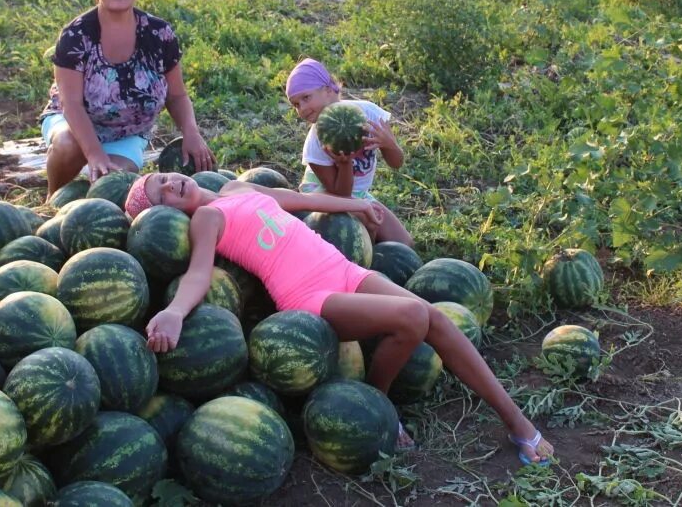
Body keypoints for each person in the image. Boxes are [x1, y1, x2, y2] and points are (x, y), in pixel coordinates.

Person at [127, 171, 555, 466]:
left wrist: (357, 204)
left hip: (344, 270)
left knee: (435, 321)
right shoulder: (206, 217)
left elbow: (302, 200)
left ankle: (518, 423)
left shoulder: (237, 188)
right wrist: (174, 312)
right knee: (411, 316)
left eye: (164, 176)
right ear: (165, 212)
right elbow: (200, 272)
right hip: (309, 296)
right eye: (160, 192)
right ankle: (378, 404)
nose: (170, 183)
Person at [39, 0, 214, 198]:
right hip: (74, 122)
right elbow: (71, 104)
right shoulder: (76, 35)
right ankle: (52, 202)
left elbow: (176, 95)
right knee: (68, 146)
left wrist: (191, 132)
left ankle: (80, 206)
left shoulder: (159, 33)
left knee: (113, 188)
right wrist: (94, 153)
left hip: (128, 131)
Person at [284, 57, 413, 247]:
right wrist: (344, 164)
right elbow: (340, 195)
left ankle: (368, 241)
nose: (302, 109)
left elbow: (397, 163)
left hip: (358, 194)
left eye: (306, 98)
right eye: (296, 104)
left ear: (328, 90)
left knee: (405, 244)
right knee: (366, 226)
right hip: (322, 196)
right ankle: (364, 258)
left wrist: (389, 144)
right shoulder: (315, 142)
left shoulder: (369, 114)